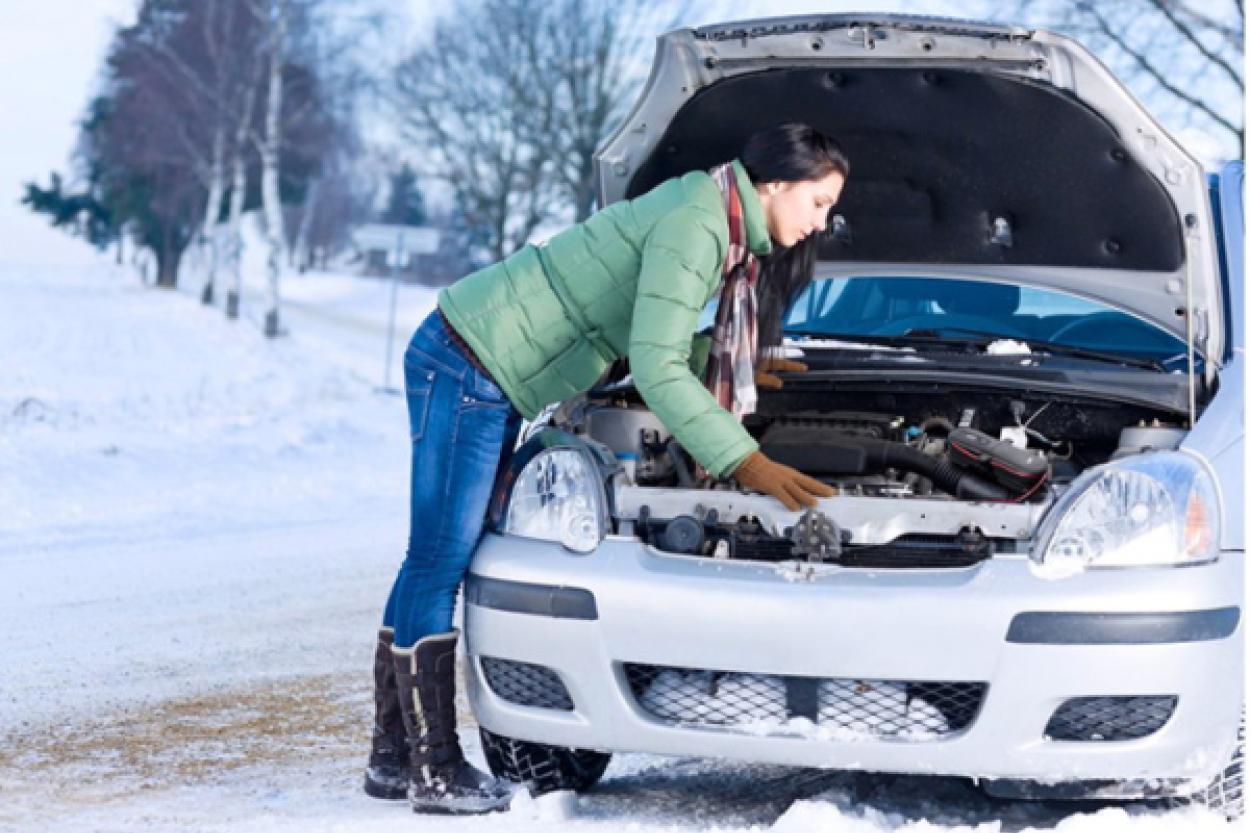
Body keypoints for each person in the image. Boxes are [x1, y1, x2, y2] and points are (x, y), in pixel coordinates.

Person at [364, 122, 849, 814]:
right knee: (438, 560)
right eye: (819, 201)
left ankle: (393, 759)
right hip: (469, 359)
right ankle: (433, 768)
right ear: (775, 184)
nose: (821, 221)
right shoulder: (699, 225)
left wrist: (730, 353)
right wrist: (743, 458)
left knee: (429, 559)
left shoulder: (706, 209)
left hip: (482, 362)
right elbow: (653, 364)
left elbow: (646, 320)